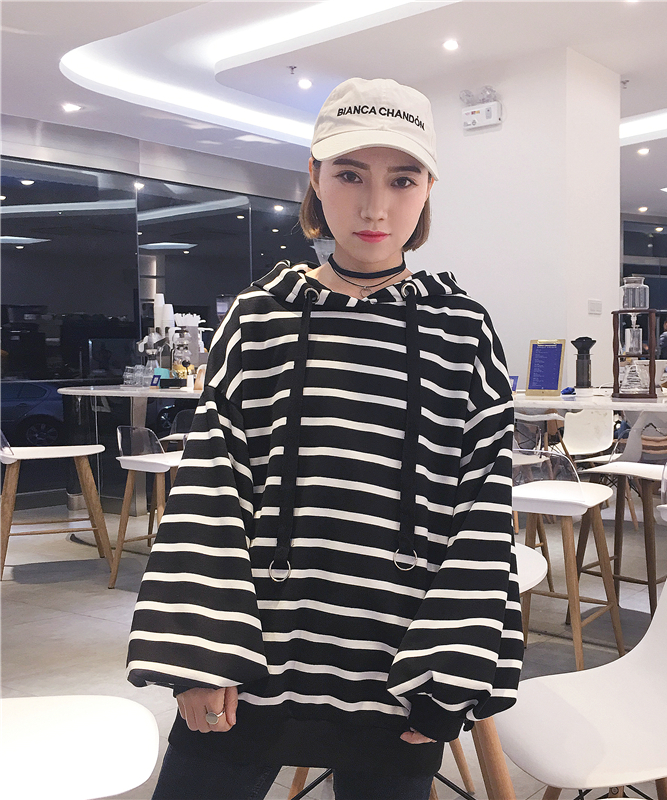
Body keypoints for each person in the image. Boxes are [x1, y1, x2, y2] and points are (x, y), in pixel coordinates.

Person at [127, 77, 522, 800]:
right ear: (314, 176)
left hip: (397, 670)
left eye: (401, 180)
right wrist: (199, 653)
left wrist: (450, 671)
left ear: (428, 188)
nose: (375, 207)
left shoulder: (462, 331)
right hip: (251, 662)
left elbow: (482, 512)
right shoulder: (261, 317)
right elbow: (211, 489)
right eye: (350, 175)